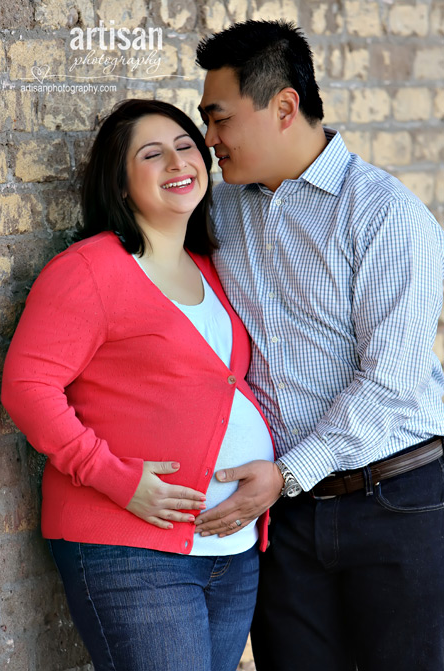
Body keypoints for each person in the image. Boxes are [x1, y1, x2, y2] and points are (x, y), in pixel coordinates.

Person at [194, 19, 444, 671]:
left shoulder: (387, 216)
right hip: (286, 518)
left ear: (282, 107)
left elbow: (391, 383)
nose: (209, 139)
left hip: (399, 499)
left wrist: (284, 472)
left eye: (218, 118)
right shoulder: (218, 210)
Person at [1, 99, 275, 671]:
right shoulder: (90, 269)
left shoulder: (208, 266)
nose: (178, 160)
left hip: (230, 552)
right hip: (131, 550)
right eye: (151, 154)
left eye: (185, 146)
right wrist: (118, 479)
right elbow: (28, 386)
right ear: (121, 185)